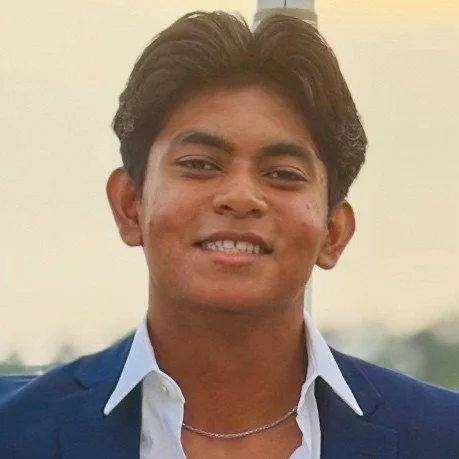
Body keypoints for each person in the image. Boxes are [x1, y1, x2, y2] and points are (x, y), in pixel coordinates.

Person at [1, 11, 458, 459]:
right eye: (199, 164)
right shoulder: (15, 431)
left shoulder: (442, 437)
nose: (240, 197)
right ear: (129, 205)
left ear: (333, 232)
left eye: (282, 174)